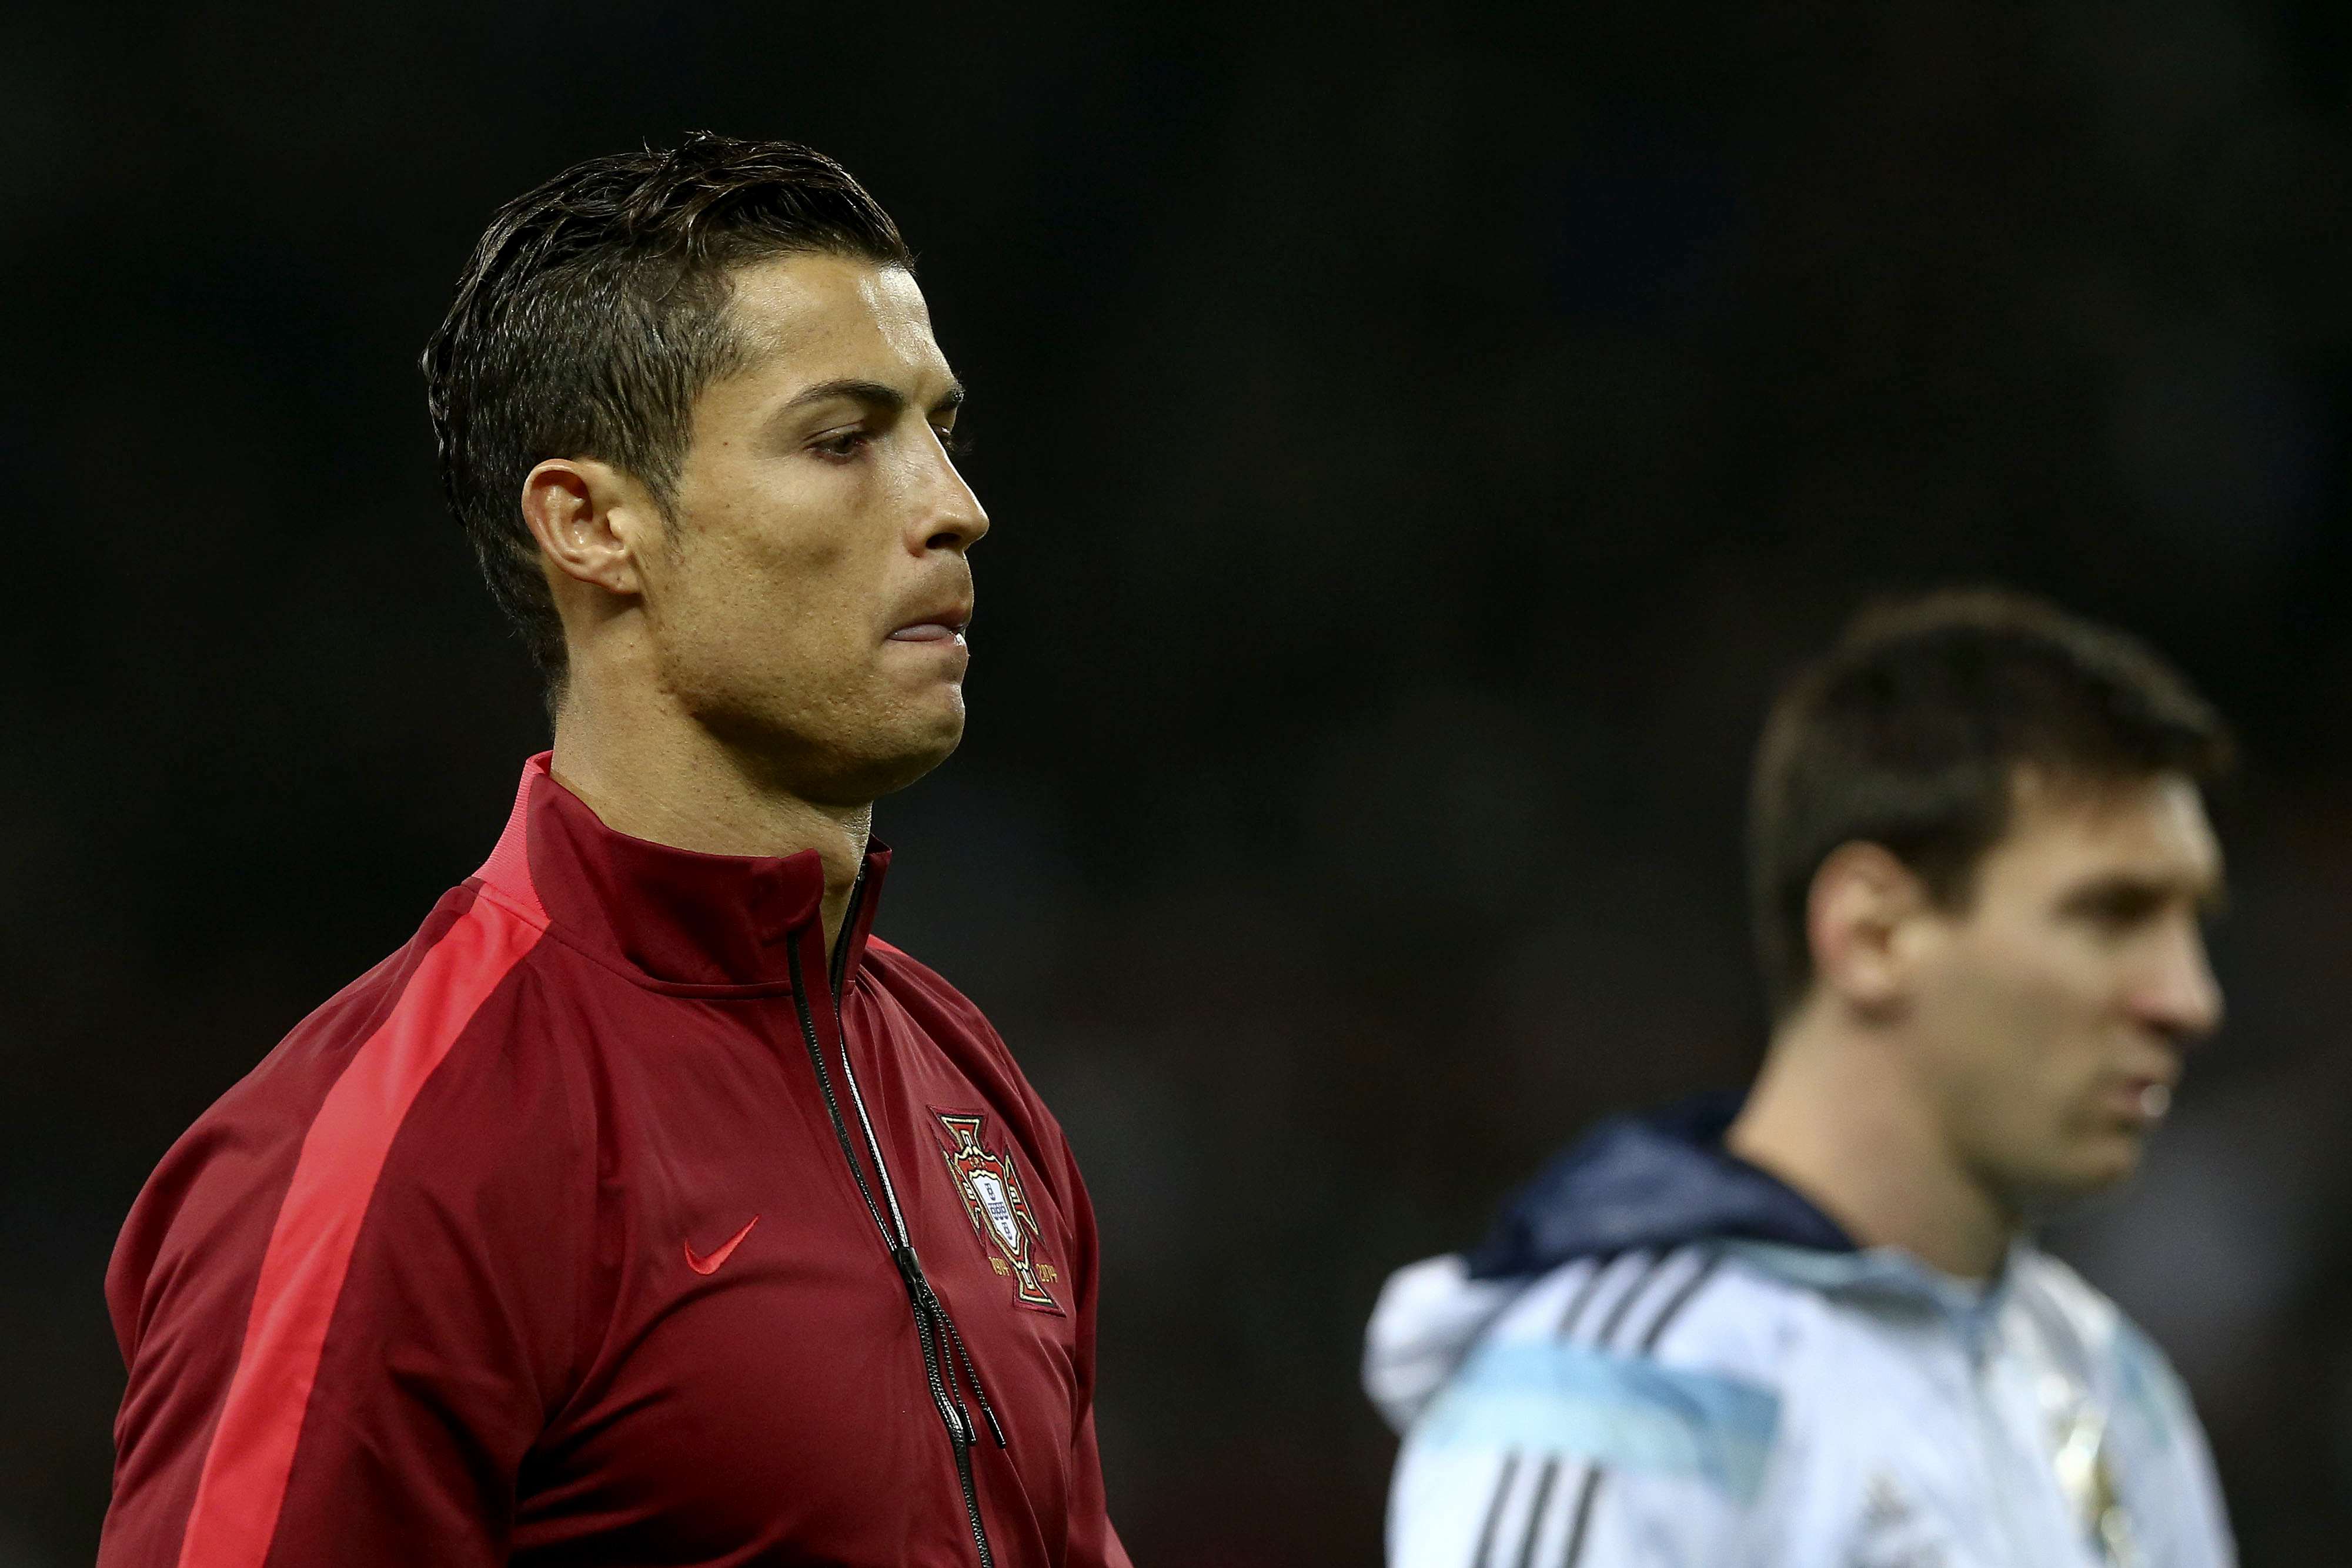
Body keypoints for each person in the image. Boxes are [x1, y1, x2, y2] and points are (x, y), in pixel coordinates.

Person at [99, 135, 1128, 1568]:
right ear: (591, 524)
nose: (952, 503)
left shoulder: (961, 1072)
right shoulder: (402, 1145)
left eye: (939, 426)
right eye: (843, 438)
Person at [1366, 590, 2237, 1567]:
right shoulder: (1620, 1388)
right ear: (1874, 935)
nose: (2188, 998)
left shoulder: (2110, 1384)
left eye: (2191, 922)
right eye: (2112, 914)